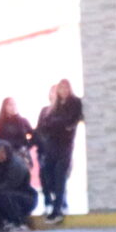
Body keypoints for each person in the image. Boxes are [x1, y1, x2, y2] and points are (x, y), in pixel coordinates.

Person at [33, 80, 83, 223]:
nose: (63, 90)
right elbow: (43, 126)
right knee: (48, 174)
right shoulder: (52, 107)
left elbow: (69, 122)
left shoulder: (74, 103)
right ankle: (53, 205)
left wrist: (56, 124)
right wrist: (56, 125)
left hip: (65, 145)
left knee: (60, 175)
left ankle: (58, 210)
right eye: (61, 88)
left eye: (66, 87)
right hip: (51, 145)